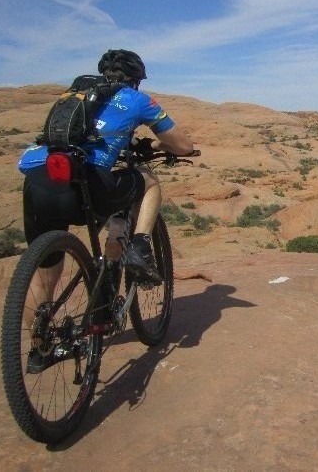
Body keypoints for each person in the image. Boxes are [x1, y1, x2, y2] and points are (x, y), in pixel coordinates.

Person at [18, 50, 193, 336]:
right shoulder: (137, 99)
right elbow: (183, 145)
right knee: (147, 181)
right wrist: (159, 147)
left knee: (44, 273)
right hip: (86, 182)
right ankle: (139, 246)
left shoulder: (76, 93)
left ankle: (41, 345)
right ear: (136, 79)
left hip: (40, 178)